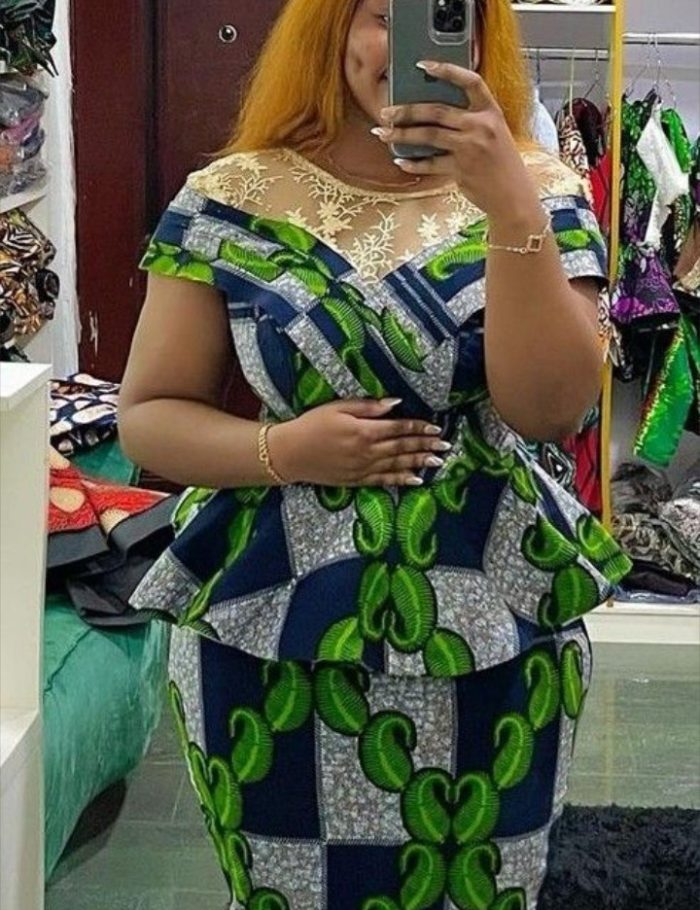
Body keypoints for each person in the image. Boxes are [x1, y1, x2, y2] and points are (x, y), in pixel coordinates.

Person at [118, 0, 631, 906]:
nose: (408, 45)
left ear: (481, 34)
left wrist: (509, 204)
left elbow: (550, 410)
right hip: (270, 626)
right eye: (380, 15)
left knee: (485, 883)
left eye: (442, 12)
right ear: (330, 28)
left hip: (496, 617)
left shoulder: (542, 190)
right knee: (285, 887)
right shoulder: (229, 198)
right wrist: (286, 449)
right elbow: (150, 417)